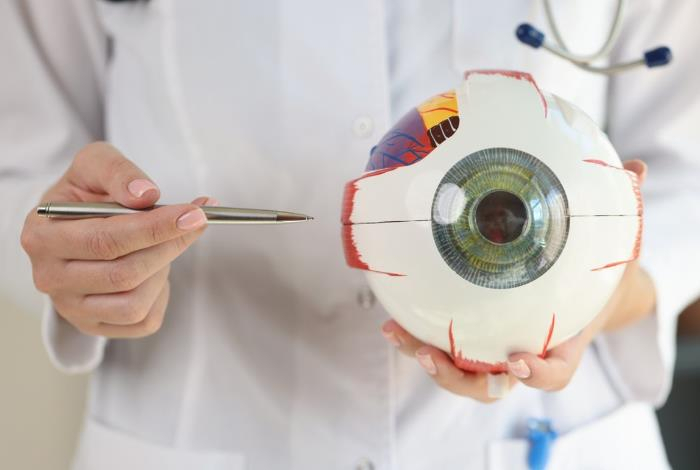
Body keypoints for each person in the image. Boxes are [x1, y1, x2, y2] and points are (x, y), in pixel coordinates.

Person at [1, 1, 699, 469]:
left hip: (540, 433)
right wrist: (78, 260)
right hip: (206, 419)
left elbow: (687, 173)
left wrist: (603, 294)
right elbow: (19, 164)